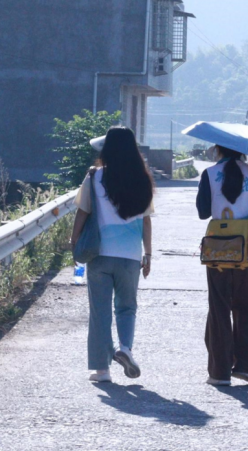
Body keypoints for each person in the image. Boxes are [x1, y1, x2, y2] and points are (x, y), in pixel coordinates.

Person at [70, 127, 154, 383]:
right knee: (127, 307)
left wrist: (74, 243)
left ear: (107, 149)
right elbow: (146, 220)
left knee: (100, 312)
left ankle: (101, 370)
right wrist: (148, 254)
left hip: (100, 254)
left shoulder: (94, 176)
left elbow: (82, 212)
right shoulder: (142, 179)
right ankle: (125, 348)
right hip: (130, 256)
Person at [196, 146, 248, 386]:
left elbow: (203, 212)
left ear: (218, 148)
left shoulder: (209, 174)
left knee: (219, 308)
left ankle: (219, 371)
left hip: (217, 249)